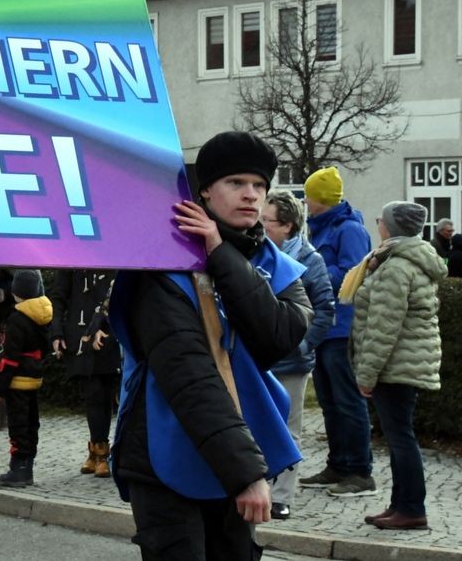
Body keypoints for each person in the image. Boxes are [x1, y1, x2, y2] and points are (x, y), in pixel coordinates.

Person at [110, 131, 312, 560]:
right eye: (235, 183)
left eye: (259, 185)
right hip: (165, 453)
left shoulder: (274, 264)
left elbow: (277, 336)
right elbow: (191, 376)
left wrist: (219, 253)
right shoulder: (162, 266)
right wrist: (245, 474)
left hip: (237, 449)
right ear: (204, 190)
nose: (251, 195)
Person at [342, 201, 446, 530]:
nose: (378, 223)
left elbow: (383, 328)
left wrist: (366, 375)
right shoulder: (399, 260)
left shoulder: (396, 267)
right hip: (402, 362)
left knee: (401, 437)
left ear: (392, 226)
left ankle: (412, 508)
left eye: (381, 219)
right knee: (399, 435)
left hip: (397, 366)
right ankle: (400, 505)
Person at [299, 166, 376, 497]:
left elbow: (352, 274)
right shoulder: (322, 228)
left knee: (348, 401)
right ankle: (338, 465)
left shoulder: (348, 229)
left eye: (308, 195)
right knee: (330, 402)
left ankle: (360, 472)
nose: (304, 201)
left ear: (320, 199)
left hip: (343, 327)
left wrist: (312, 270)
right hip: (325, 327)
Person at [260, 190, 336, 520]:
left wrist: (301, 346)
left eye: (267, 221)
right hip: (257, 357)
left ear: (288, 226)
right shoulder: (255, 254)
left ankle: (281, 497)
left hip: (291, 362)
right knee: (252, 422)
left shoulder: (310, 260)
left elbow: (325, 310)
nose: (261, 227)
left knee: (288, 428)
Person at [49, 269, 118, 478]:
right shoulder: (72, 258)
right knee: (93, 392)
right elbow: (59, 297)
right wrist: (56, 331)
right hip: (80, 333)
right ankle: (97, 449)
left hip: (108, 328)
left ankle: (102, 450)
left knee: (106, 391)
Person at [0, 270, 52, 488]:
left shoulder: (17, 318)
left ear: (16, 292)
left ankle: (19, 468)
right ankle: (28, 465)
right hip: (33, 377)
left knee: (18, 425)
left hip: (17, 380)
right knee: (31, 423)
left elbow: (11, 358)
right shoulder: (42, 315)